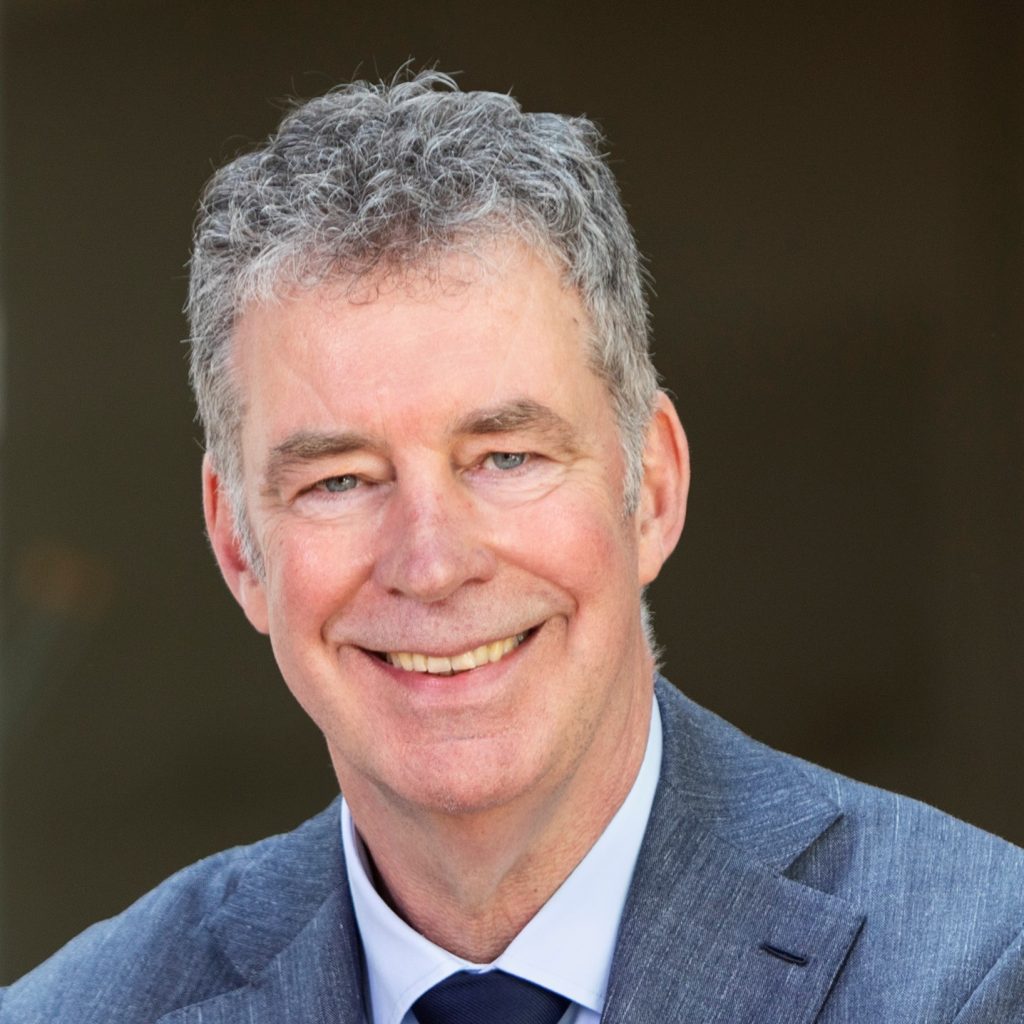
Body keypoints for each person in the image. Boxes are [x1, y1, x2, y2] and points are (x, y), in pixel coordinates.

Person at [2, 71, 1022, 1024]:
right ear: (236, 543)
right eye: (340, 480)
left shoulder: (972, 969)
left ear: (650, 488)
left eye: (505, 456)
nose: (432, 561)